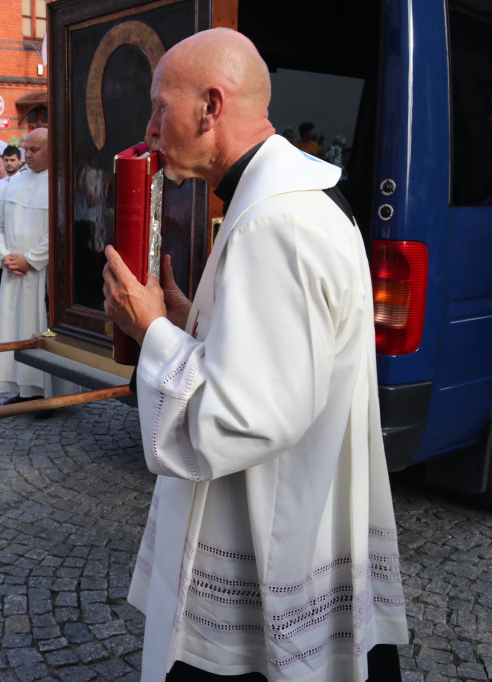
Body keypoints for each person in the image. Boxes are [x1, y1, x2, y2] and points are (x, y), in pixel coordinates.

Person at [100, 29, 408, 682]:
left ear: (211, 107)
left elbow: (247, 417)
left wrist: (152, 331)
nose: (151, 129)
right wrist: (193, 324)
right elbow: (280, 355)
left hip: (270, 538)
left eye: (161, 107)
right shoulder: (294, 196)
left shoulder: (277, 222)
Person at [0, 127, 51, 402]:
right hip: (13, 271)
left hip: (42, 274)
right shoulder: (13, 183)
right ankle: (22, 387)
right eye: (25, 149)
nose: (27, 155)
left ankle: (45, 392)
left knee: (39, 329)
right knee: (14, 329)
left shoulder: (59, 183)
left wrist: (31, 259)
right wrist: (5, 256)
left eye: (33, 150)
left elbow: (58, 232)